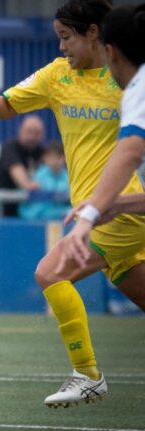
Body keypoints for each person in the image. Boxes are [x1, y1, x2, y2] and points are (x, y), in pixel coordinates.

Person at [0, 0, 145, 409]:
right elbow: (7, 106)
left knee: (50, 272)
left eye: (66, 37)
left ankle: (88, 374)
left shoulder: (128, 81)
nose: (61, 47)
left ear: (95, 34)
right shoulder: (57, 77)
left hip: (122, 211)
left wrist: (100, 209)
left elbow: (130, 151)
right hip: (102, 212)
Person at [59, 3, 145, 271]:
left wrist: (89, 216)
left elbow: (130, 152)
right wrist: (117, 204)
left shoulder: (139, 87)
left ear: (111, 52)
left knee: (52, 275)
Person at [0, 115, 46, 216]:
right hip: (6, 210)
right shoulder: (10, 147)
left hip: (32, 212)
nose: (32, 137)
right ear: (20, 130)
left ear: (42, 135)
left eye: (36, 133)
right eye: (29, 132)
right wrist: (29, 185)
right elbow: (23, 181)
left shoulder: (43, 152)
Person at [18, 141, 71, 220]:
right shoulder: (39, 176)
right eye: (51, 157)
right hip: (39, 217)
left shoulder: (68, 177)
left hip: (63, 218)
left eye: (58, 157)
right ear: (45, 158)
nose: (55, 161)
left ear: (64, 158)